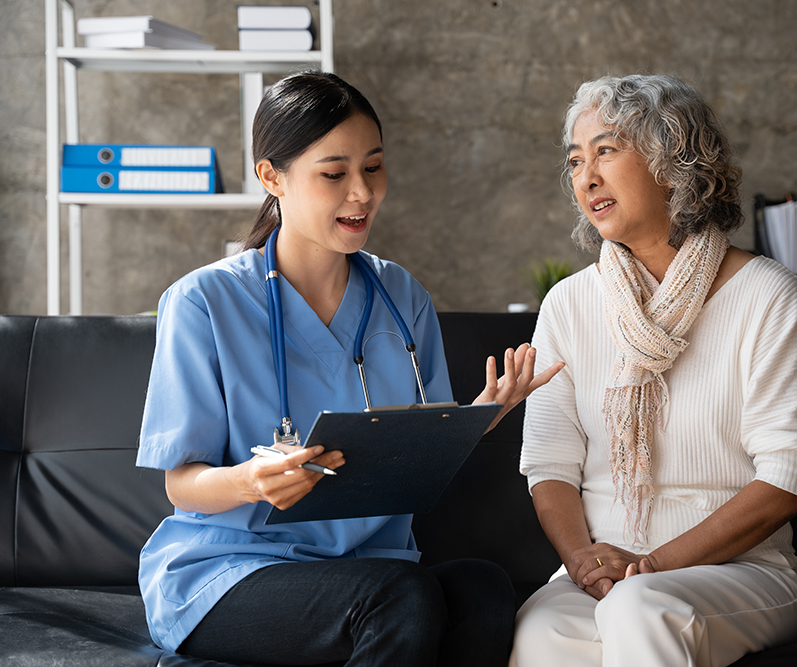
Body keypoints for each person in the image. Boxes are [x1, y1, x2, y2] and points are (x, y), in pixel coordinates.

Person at [136, 71, 561, 667]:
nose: (362, 193)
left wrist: (480, 418)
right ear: (271, 177)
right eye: (334, 174)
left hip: (368, 570)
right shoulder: (203, 303)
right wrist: (252, 483)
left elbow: (417, 441)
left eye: (374, 167)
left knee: (483, 588)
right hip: (230, 572)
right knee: (399, 596)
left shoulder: (399, 294)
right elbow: (181, 483)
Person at [509, 74, 797, 667]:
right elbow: (550, 463)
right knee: (540, 630)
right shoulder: (569, 303)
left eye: (606, 149)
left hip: (740, 573)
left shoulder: (769, 295)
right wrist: (582, 560)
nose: (586, 176)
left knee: (640, 609)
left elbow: (789, 477)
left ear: (672, 160)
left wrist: (650, 568)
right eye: (576, 159)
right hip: (604, 568)